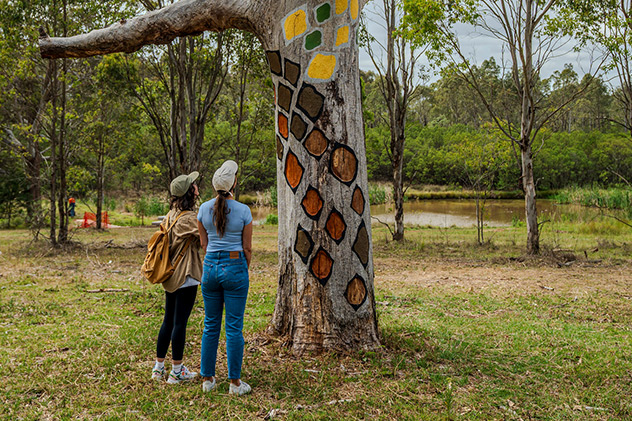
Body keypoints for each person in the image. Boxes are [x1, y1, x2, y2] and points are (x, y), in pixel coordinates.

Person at [197, 160, 253, 395]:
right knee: (233, 327)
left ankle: (208, 380)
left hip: (210, 266)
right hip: (235, 265)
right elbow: (247, 248)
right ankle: (235, 383)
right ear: (234, 183)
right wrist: (242, 267)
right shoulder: (244, 211)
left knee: (211, 325)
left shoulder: (202, 209)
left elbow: (203, 243)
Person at [151, 171, 202, 384]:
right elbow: (207, 235)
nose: (197, 186)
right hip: (185, 275)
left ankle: (158, 368)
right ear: (190, 192)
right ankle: (177, 371)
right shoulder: (189, 219)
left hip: (170, 276)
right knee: (180, 322)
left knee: (168, 320)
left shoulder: (171, 214)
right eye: (194, 184)